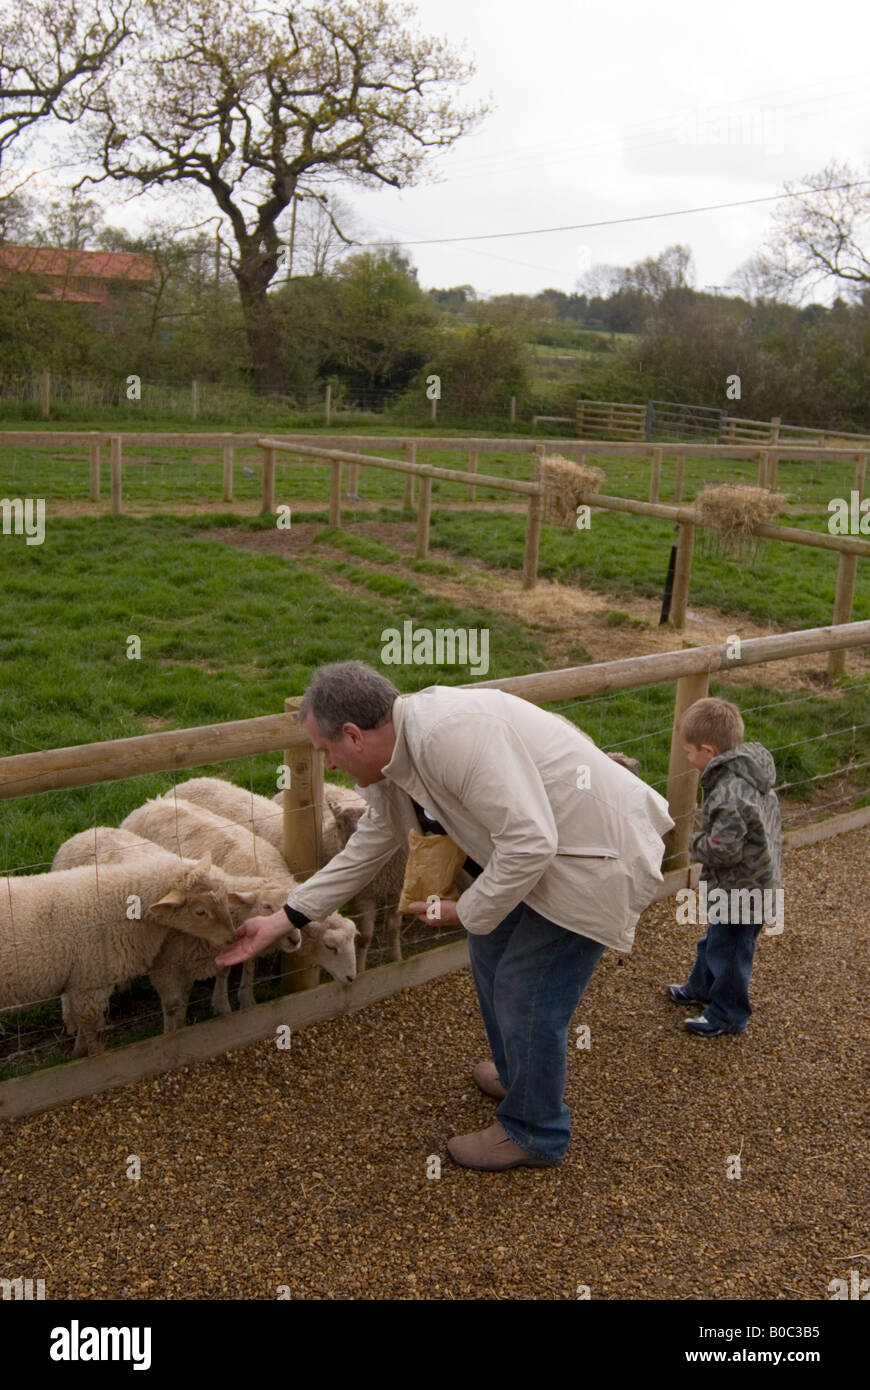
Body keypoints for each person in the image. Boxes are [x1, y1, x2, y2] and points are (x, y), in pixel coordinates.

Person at [217, 661, 673, 1171]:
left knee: (527, 988)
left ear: (352, 735)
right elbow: (367, 848)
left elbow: (531, 841)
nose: (331, 766)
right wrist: (284, 920)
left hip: (592, 862)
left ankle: (535, 1130)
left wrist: (467, 908)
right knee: (490, 948)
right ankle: (518, 1075)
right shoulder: (396, 759)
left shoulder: (446, 737)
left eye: (327, 753)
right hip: (544, 859)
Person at [668, 696, 782, 1037]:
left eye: (689, 751)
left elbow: (724, 849)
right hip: (749, 881)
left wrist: (694, 844)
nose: (687, 758)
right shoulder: (747, 773)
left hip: (745, 889)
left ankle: (728, 1014)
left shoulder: (729, 792)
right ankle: (701, 988)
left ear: (708, 751)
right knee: (716, 940)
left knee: (730, 952)